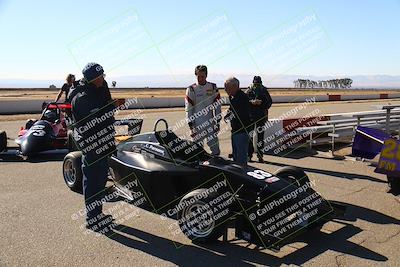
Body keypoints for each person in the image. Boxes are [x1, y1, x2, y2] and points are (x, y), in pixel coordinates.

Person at [71, 62, 116, 232]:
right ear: (90, 79)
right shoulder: (80, 97)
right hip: (91, 144)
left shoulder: (102, 86)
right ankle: (92, 219)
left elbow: (109, 109)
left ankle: (98, 215)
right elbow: (93, 121)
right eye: (99, 77)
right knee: (92, 182)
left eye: (103, 75)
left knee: (101, 180)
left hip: (105, 142)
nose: (102, 79)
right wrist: (105, 112)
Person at [185, 65, 221, 156]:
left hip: (211, 123)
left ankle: (215, 167)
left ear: (206, 75)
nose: (200, 78)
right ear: (195, 75)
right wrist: (191, 126)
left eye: (202, 76)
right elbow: (188, 109)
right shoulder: (191, 89)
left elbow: (217, 106)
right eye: (198, 76)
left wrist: (217, 122)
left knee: (215, 149)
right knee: (197, 151)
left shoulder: (213, 87)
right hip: (197, 125)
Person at [224, 77, 251, 166]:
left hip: (242, 131)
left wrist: (231, 115)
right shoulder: (233, 97)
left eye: (227, 87)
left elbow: (241, 113)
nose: (225, 89)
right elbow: (231, 110)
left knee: (241, 157)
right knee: (236, 156)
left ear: (235, 87)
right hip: (235, 130)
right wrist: (227, 115)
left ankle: (243, 174)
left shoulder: (242, 98)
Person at [246, 76, 272, 163]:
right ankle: (249, 155)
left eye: (258, 84)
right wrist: (251, 102)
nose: (256, 86)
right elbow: (244, 101)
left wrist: (261, 103)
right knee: (249, 136)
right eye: (255, 84)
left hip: (261, 117)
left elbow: (269, 103)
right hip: (250, 117)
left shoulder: (264, 91)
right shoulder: (249, 90)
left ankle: (260, 156)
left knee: (260, 137)